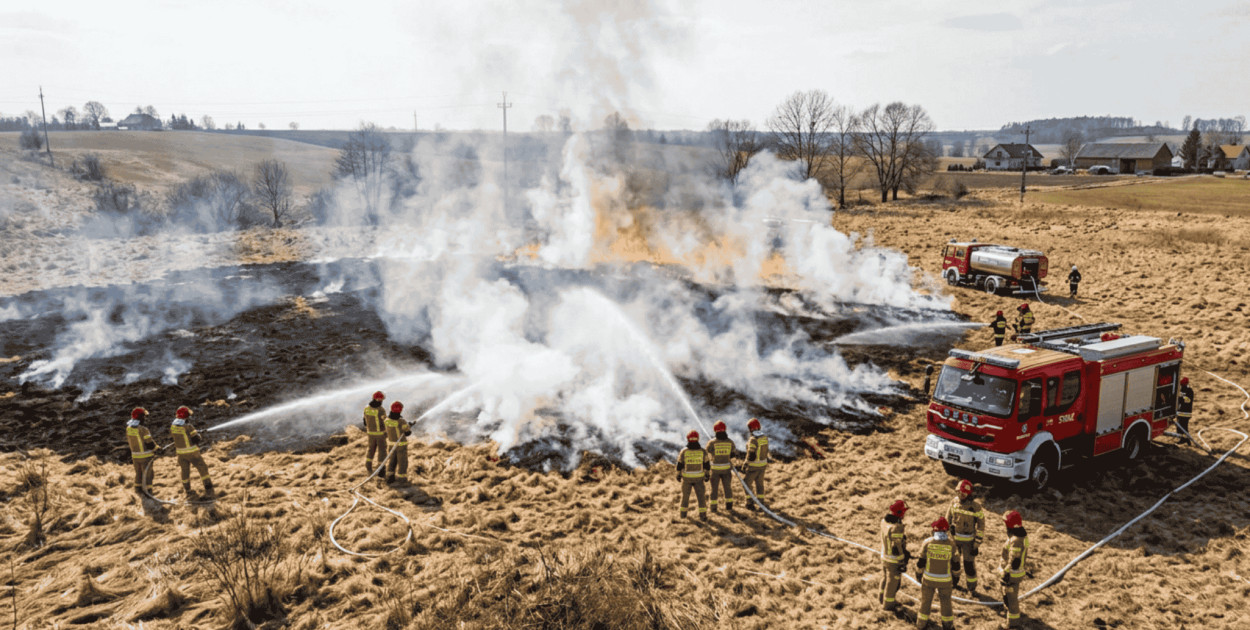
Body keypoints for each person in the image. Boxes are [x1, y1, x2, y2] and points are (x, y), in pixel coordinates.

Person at [915, 517, 956, 630]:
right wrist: (956, 578)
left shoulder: (928, 542)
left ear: (934, 530)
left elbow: (921, 562)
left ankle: (921, 624)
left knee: (925, 602)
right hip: (945, 581)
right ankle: (948, 625)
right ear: (946, 531)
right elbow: (956, 564)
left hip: (928, 580)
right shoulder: (951, 544)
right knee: (946, 602)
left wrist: (918, 574)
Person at [945, 479, 986, 594]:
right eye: (958, 492)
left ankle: (972, 587)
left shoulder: (976, 507)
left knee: (969, 565)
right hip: (955, 541)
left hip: (969, 542)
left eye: (963, 493)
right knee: (954, 563)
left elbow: (981, 525)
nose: (960, 495)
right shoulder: (954, 502)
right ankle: (953, 582)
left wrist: (977, 542)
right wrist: (946, 532)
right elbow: (947, 518)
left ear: (969, 494)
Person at [170, 406, 214, 497]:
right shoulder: (189, 426)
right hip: (192, 453)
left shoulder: (173, 426)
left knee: (185, 471)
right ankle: (208, 487)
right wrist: (198, 435)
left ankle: (188, 490)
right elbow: (196, 439)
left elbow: (182, 436)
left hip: (181, 455)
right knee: (203, 468)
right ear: (186, 416)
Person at [998, 510, 1030, 629]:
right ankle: (1009, 615)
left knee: (1011, 599)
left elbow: (1014, 561)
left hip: (1011, 575)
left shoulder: (1016, 540)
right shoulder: (1019, 536)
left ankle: (1013, 624)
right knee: (1007, 595)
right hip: (1012, 574)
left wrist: (1004, 572)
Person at [880, 500, 911, 612]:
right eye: (903, 512)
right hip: (893, 560)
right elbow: (896, 546)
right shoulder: (897, 527)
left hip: (884, 556)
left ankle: (882, 598)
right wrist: (903, 556)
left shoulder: (884, 521)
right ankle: (888, 604)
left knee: (884, 578)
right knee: (893, 581)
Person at [676, 430, 710, 520]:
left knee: (685, 498)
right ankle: (703, 516)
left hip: (687, 479)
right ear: (698, 439)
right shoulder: (703, 451)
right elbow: (707, 464)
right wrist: (707, 474)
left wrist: (678, 475)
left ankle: (683, 516)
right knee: (701, 498)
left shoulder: (684, 451)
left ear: (688, 439)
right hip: (699, 479)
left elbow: (679, 465)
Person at [705, 421, 735, 512]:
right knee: (728, 488)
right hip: (726, 470)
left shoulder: (712, 442)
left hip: (715, 471)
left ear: (715, 431)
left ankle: (713, 508)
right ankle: (729, 506)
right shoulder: (730, 442)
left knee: (714, 490)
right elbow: (732, 454)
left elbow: (707, 452)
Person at [125, 407, 157, 493]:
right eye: (144, 417)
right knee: (148, 474)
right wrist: (157, 449)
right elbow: (149, 444)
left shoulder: (128, 428)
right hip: (146, 456)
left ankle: (138, 489)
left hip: (135, 457)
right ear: (141, 418)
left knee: (138, 474)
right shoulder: (144, 429)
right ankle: (148, 491)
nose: (145, 419)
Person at [741, 418, 769, 510]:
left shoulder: (753, 439)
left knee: (746, 483)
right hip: (763, 466)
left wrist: (745, 464)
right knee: (760, 484)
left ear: (750, 429)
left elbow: (751, 455)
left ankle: (749, 503)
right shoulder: (764, 438)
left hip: (754, 466)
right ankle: (761, 503)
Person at [383, 401, 412, 484]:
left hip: (391, 445)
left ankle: (390, 478)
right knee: (402, 463)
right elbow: (407, 433)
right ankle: (401, 480)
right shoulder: (401, 421)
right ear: (400, 411)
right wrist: (408, 426)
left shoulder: (387, 420)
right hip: (401, 446)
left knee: (392, 462)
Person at [363, 391, 388, 476]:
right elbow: (385, 422)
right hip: (380, 434)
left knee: (371, 450)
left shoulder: (366, 408)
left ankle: (368, 467)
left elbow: (364, 422)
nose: (382, 402)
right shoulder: (381, 410)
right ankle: (381, 469)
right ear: (379, 400)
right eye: (381, 400)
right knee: (382, 451)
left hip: (370, 433)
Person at [1177, 377, 1194, 445]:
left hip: (1186, 413)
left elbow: (1188, 400)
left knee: (1184, 427)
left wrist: (1181, 399)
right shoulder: (1181, 390)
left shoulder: (1189, 391)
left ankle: (1187, 440)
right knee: (1179, 427)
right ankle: (1182, 439)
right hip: (1180, 412)